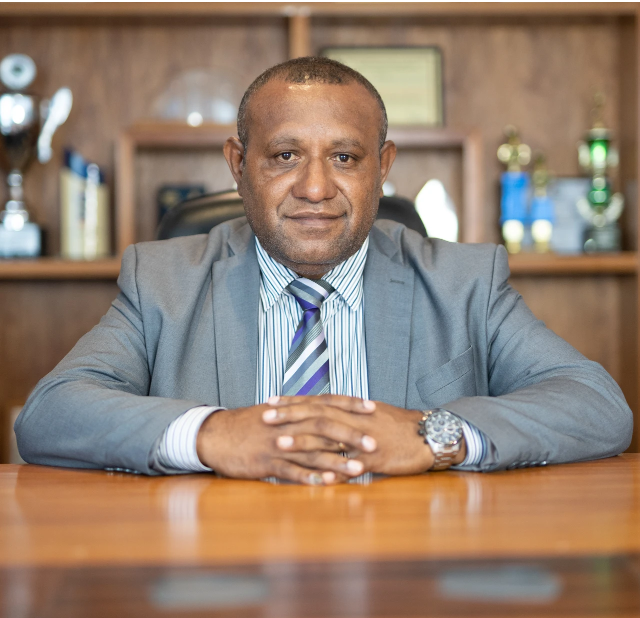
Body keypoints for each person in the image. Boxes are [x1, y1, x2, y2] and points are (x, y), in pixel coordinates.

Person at [16, 57, 633, 485]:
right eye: (285, 155)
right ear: (237, 164)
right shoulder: (162, 282)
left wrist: (433, 433)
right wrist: (212, 436)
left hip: (405, 571)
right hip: (225, 572)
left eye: (344, 157)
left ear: (382, 167)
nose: (315, 188)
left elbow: (596, 405)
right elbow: (51, 413)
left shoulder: (465, 283)